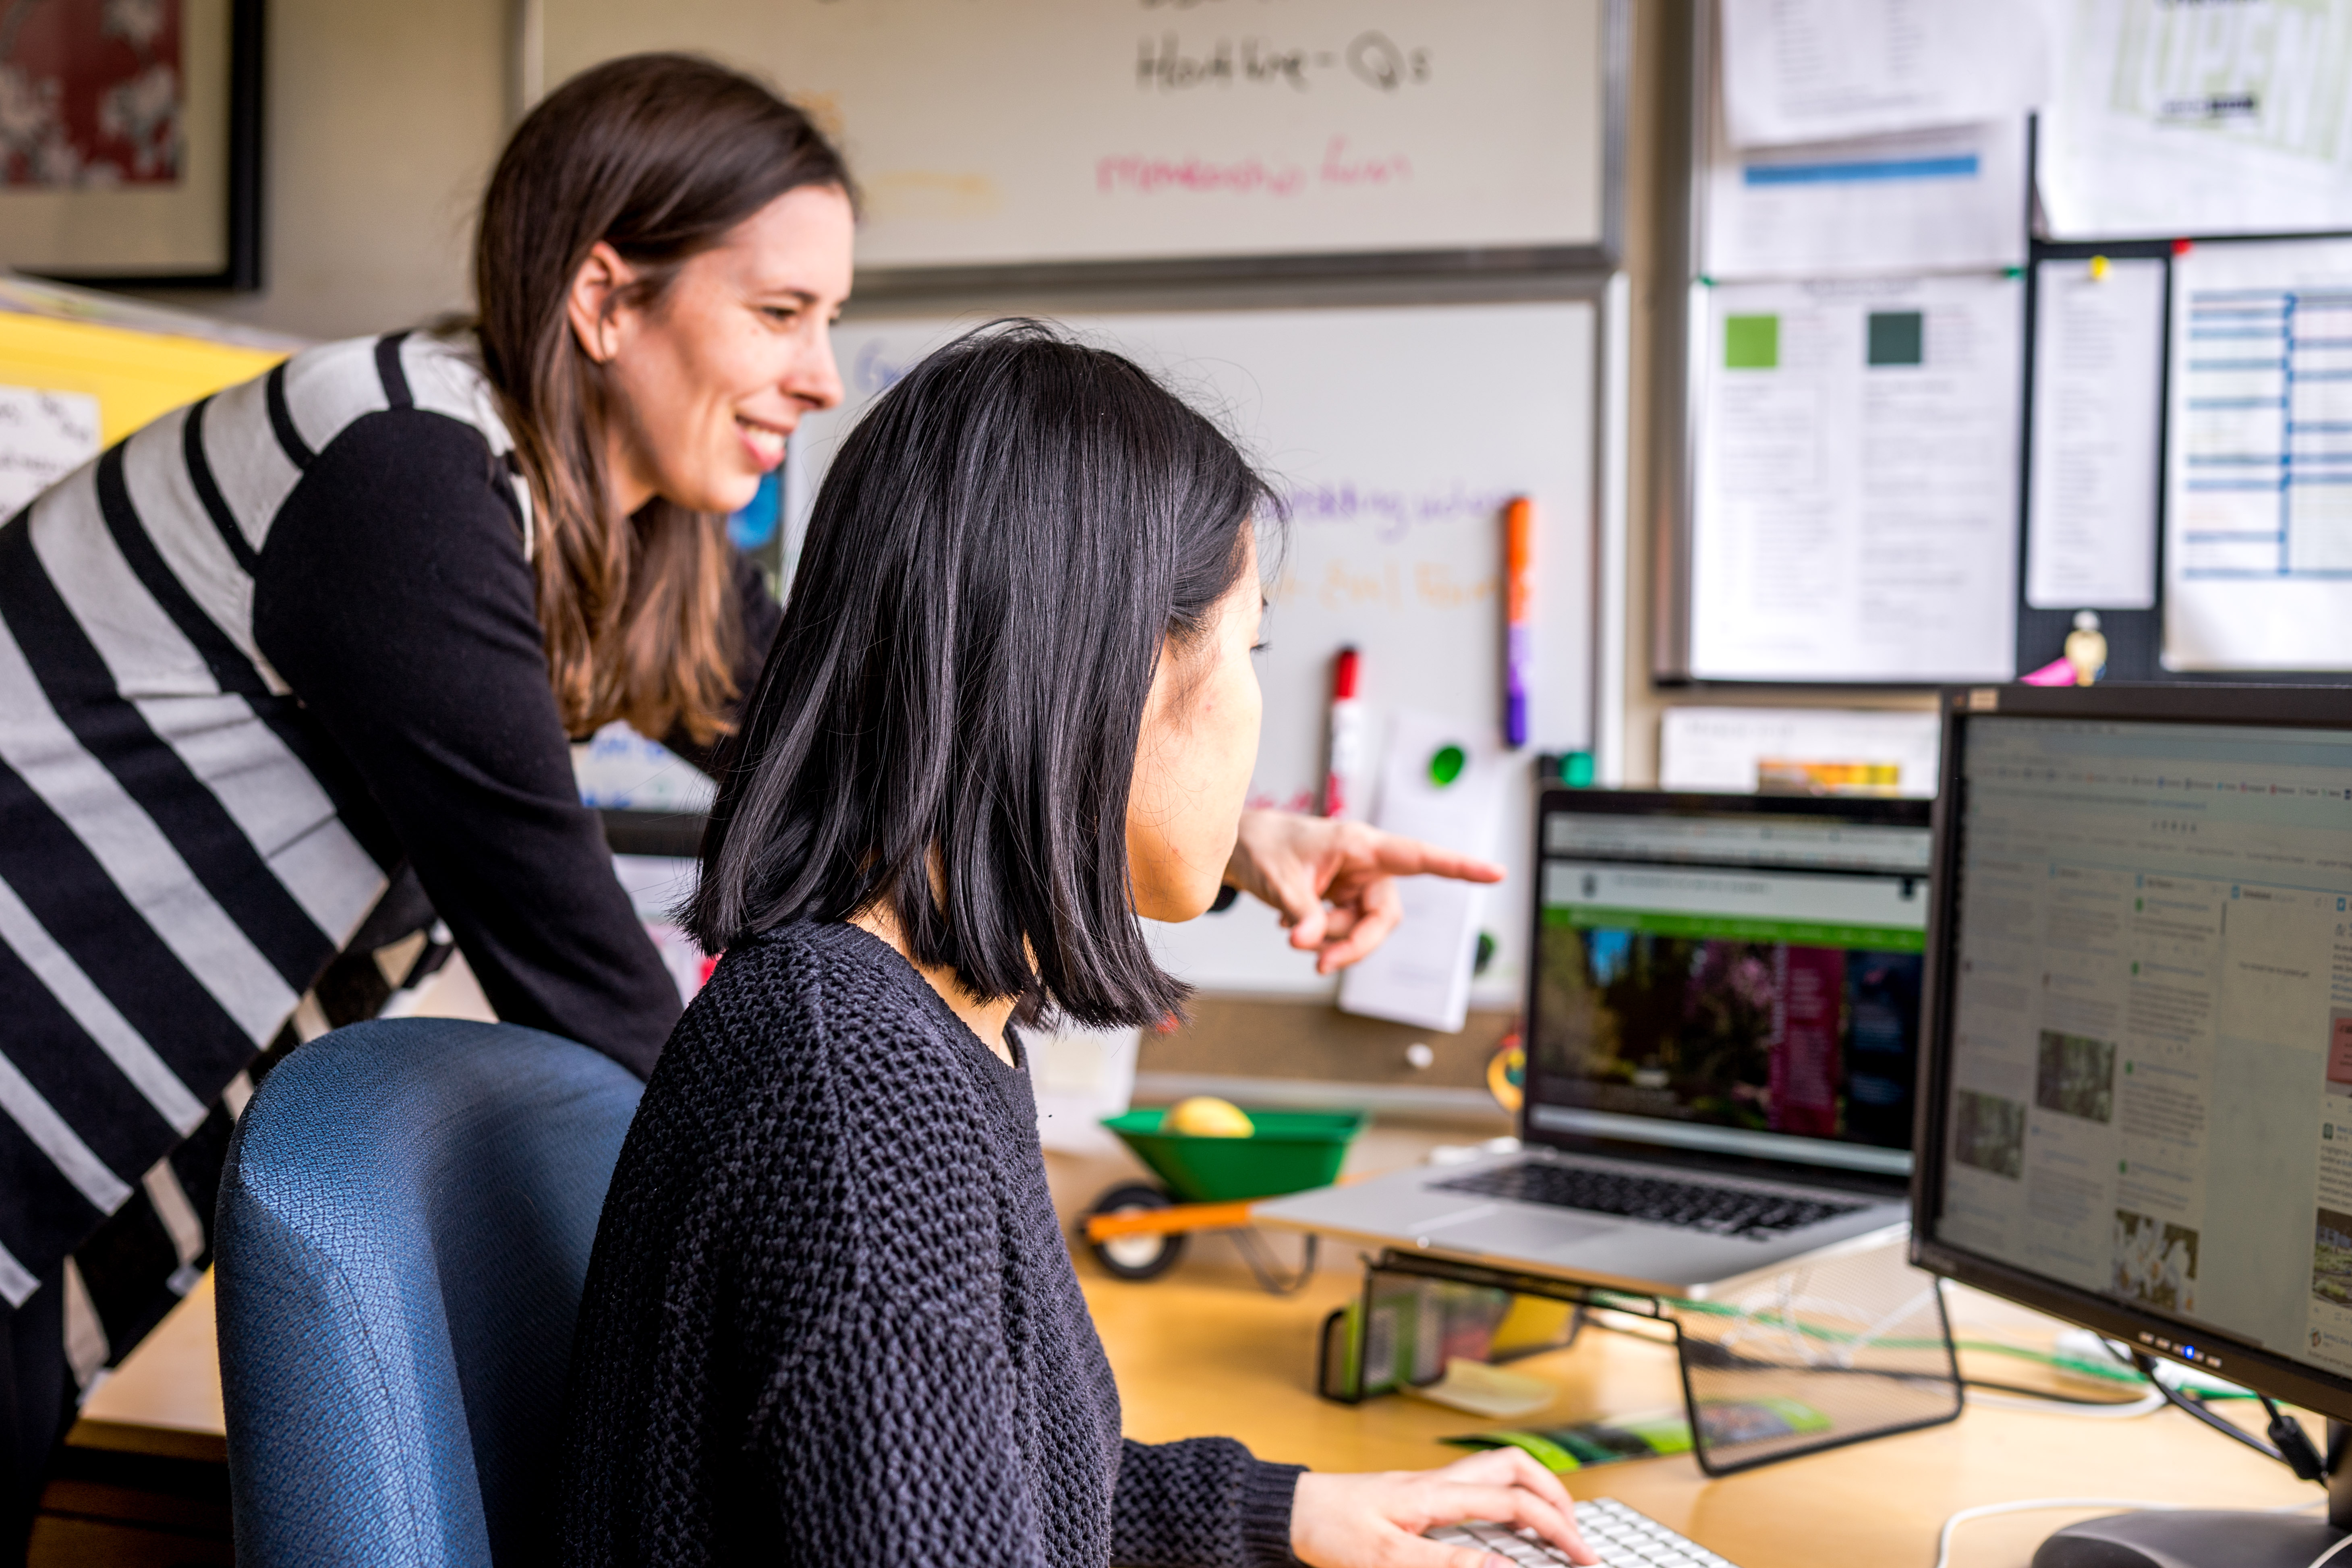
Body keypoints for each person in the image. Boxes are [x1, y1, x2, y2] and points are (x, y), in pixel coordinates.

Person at [0, 52, 1497, 1530]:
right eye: (779, 312)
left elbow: (926, 729)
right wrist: (830, 1176)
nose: (823, 374)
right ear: (603, 298)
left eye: (831, 319)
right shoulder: (397, 464)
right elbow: (565, 934)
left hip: (125, 1137)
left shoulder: (629, 547)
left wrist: (1242, 843)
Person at [557, 323, 1588, 1568]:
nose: (1258, 705)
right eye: (1247, 648)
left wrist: (1287, 1516)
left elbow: (1005, 1477)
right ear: (1112, 682)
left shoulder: (903, 1017)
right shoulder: (861, 1113)